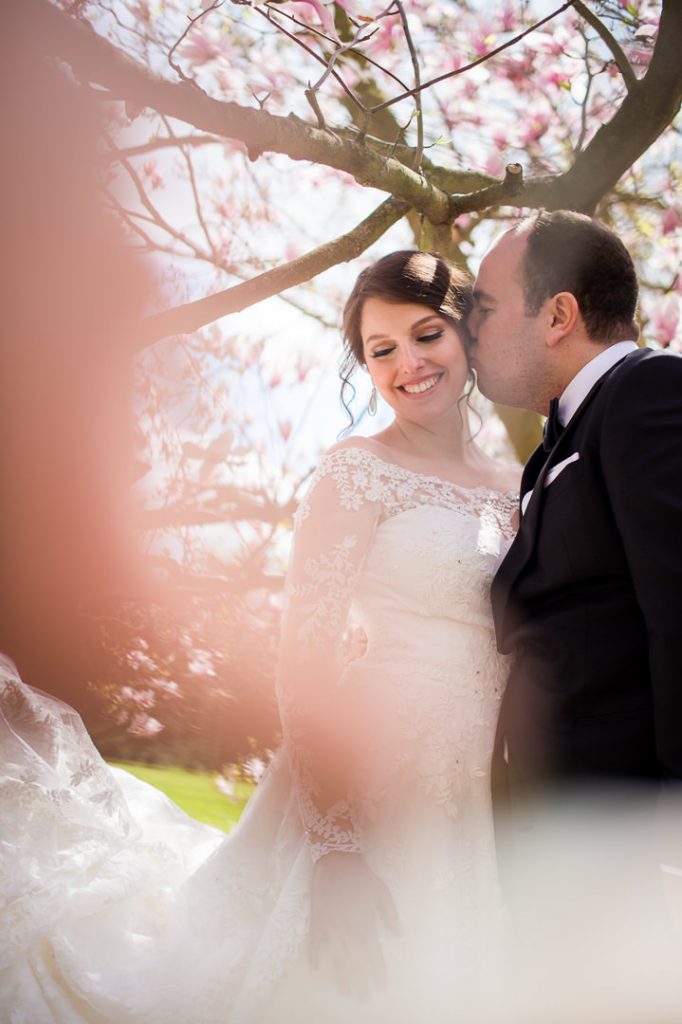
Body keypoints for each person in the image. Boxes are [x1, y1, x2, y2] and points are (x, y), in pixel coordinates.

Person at [0, 250, 520, 1023]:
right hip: (369, 776)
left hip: (480, 784)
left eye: (425, 335)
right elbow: (303, 662)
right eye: (381, 351)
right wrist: (337, 844)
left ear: (466, 335)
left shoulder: (520, 482)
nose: (408, 363)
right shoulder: (355, 473)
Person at [467, 210, 682, 1020]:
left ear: (558, 315)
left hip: (620, 843)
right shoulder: (550, 451)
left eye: (485, 305)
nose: (470, 328)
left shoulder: (652, 395)